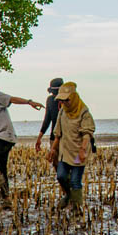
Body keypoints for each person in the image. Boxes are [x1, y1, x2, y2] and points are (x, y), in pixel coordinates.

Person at [47, 81, 96, 215]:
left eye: (67, 100)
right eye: (62, 100)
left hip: (78, 152)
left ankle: (77, 207)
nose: (64, 103)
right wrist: (53, 150)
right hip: (64, 151)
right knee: (61, 176)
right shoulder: (62, 111)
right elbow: (57, 133)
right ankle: (69, 196)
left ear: (73, 98)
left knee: (75, 180)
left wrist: (82, 149)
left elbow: (87, 133)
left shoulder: (83, 112)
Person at [35, 77, 65, 152]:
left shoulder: (51, 100)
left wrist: (39, 138)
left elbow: (47, 120)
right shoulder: (51, 100)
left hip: (61, 138)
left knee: (59, 163)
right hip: (60, 138)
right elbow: (47, 120)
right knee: (60, 163)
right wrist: (39, 138)